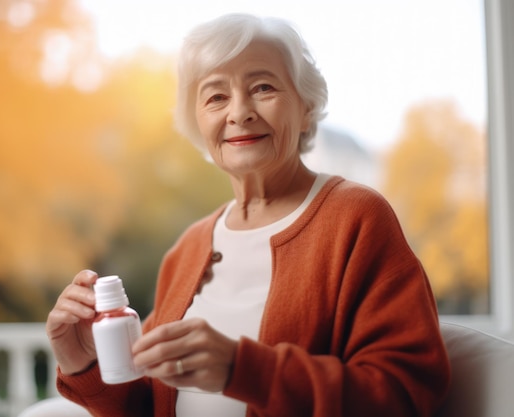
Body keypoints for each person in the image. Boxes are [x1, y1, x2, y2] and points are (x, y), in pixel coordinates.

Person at [46, 13, 450, 417]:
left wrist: (243, 369)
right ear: (198, 122)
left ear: (306, 108)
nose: (239, 112)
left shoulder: (356, 218)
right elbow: (146, 408)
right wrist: (82, 361)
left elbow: (406, 395)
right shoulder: (188, 248)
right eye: (216, 97)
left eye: (262, 87)